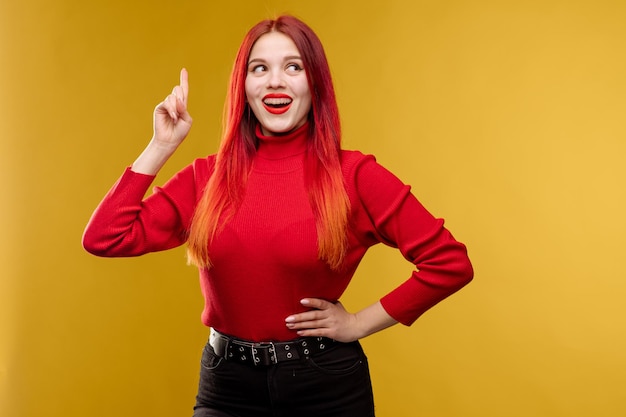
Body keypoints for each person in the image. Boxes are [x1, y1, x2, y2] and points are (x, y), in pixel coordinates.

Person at [82, 14, 473, 417]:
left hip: (325, 384)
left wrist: (358, 323)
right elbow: (104, 238)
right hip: (226, 384)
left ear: (314, 82)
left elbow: (450, 263)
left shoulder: (355, 176)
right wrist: (160, 146)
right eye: (259, 69)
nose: (274, 81)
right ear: (244, 88)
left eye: (293, 66)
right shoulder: (206, 178)